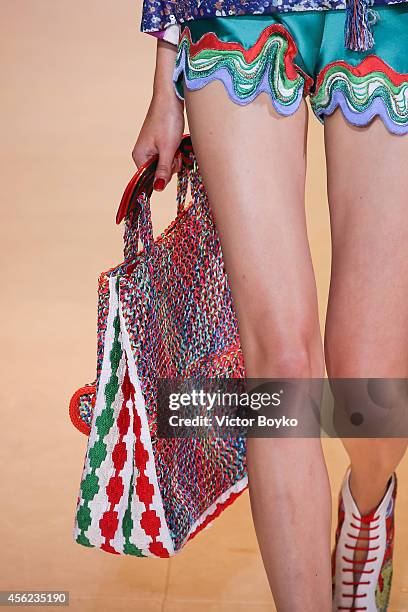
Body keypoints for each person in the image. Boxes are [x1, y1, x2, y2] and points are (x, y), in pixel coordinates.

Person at [133, 2, 408, 610]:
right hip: (235, 16)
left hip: (386, 18)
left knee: (370, 384)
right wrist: (164, 69)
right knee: (280, 363)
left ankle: (368, 504)